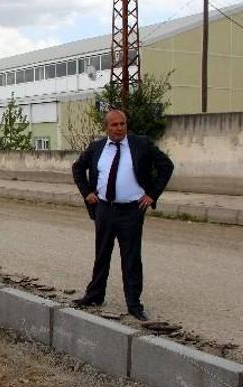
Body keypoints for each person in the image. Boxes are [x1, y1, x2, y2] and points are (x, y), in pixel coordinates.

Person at [71, 110, 174, 321]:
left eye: (122, 124)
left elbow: (166, 166)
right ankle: (94, 295)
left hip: (131, 211)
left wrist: (152, 194)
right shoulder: (97, 147)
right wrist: (87, 193)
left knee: (131, 258)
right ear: (106, 127)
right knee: (102, 254)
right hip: (105, 208)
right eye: (114, 125)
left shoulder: (140, 144)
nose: (119, 128)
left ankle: (134, 304)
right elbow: (78, 168)